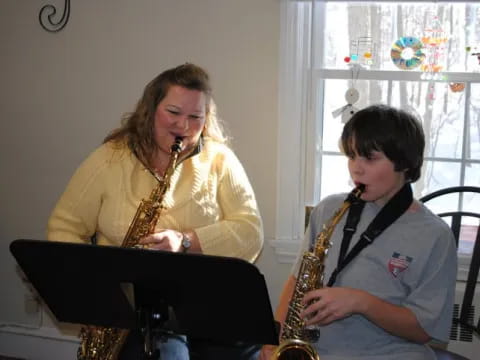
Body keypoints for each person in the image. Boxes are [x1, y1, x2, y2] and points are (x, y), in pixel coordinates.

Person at [47, 63, 264, 359]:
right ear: (150, 110)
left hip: (205, 302)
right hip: (135, 310)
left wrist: (186, 241)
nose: (184, 127)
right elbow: (64, 227)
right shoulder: (109, 159)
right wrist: (94, 297)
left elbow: (251, 232)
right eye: (173, 113)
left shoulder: (220, 159)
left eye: (195, 117)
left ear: (206, 119)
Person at [260, 104, 457, 360]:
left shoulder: (435, 236)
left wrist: (361, 303)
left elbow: (424, 331)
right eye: (352, 156)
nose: (356, 168)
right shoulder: (329, 209)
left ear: (405, 163)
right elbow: (297, 281)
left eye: (370, 158)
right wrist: (273, 337)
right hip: (315, 350)